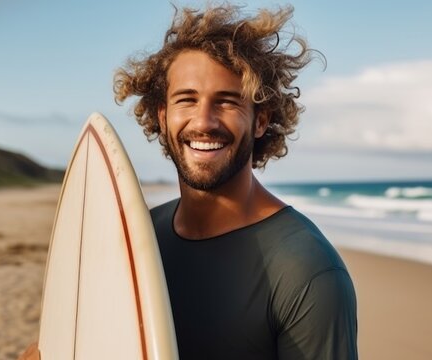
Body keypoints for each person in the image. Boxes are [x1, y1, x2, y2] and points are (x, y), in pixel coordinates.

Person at [20, 3, 357, 360]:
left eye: (227, 102)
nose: (204, 121)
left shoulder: (307, 272)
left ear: (260, 120)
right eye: (187, 100)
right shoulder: (140, 239)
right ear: (162, 117)